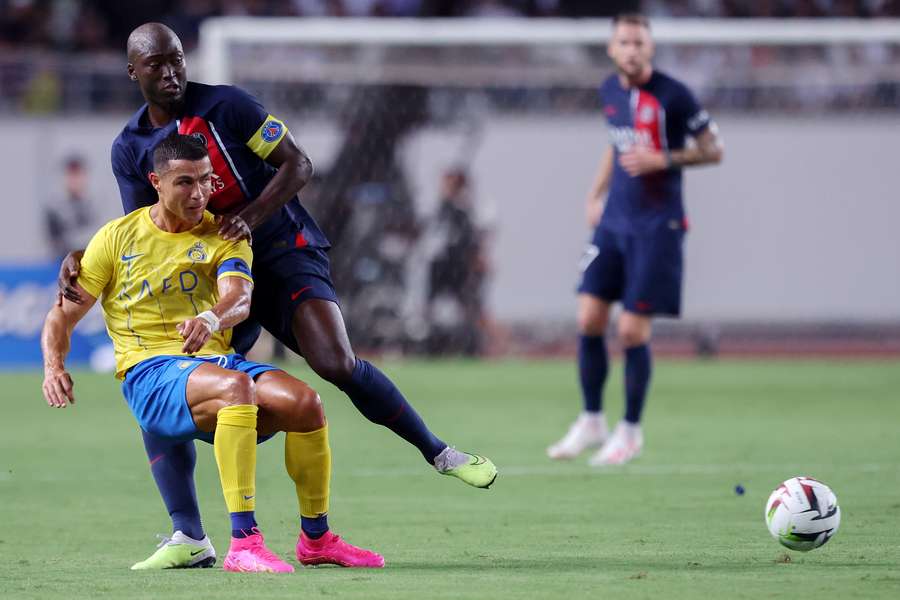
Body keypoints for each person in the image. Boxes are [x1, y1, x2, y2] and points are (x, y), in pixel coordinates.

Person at [57, 22, 496, 567]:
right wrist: (83, 251)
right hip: (212, 266)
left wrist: (248, 218)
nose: (170, 72)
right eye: (156, 65)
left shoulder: (229, 106)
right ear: (132, 72)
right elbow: (138, 226)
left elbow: (299, 164)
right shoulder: (130, 147)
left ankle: (439, 452)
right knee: (171, 365)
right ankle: (191, 536)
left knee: (335, 363)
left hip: (281, 248)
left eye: (177, 60)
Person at [42, 134, 383, 572]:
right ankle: (244, 543)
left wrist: (211, 319)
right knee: (235, 389)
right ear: (156, 183)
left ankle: (316, 539)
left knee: (305, 403)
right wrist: (54, 366)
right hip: (149, 373)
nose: (199, 192)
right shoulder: (116, 239)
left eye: (206, 181)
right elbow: (60, 318)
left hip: (214, 363)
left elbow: (239, 298)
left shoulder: (224, 233)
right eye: (185, 182)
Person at [547, 13, 723, 466]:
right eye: (624, 42)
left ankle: (630, 430)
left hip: (657, 227)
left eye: (639, 42)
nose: (632, 50)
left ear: (651, 48)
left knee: (630, 330)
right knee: (588, 318)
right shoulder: (609, 91)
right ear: (612, 48)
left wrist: (662, 158)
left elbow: (714, 149)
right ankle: (591, 420)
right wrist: (595, 192)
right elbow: (616, 144)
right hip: (615, 221)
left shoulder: (674, 95)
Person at [44, 155, 97, 261]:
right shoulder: (55, 209)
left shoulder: (95, 206)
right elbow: (55, 243)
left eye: (78, 175)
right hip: (63, 263)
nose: (75, 180)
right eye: (71, 175)